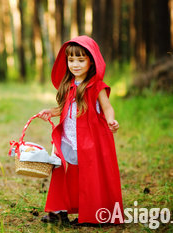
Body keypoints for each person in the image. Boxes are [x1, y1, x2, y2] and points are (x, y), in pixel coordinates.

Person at [38, 35, 124, 226]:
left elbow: (107, 107)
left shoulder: (96, 87)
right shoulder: (68, 85)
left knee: (90, 174)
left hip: (89, 139)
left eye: (81, 59)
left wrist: (111, 120)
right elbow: (65, 108)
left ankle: (94, 214)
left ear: (91, 61)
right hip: (68, 137)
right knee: (60, 169)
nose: (75, 64)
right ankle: (58, 212)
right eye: (71, 60)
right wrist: (50, 112)